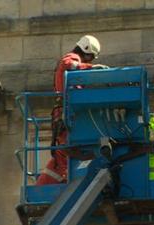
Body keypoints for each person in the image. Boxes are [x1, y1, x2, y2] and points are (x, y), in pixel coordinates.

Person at [36, 35, 108, 185]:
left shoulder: (77, 66)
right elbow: (66, 63)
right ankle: (64, 177)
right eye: (90, 58)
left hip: (69, 112)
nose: (90, 61)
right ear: (86, 51)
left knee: (65, 149)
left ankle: (61, 177)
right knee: (65, 148)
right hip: (65, 112)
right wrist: (90, 68)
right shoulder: (73, 57)